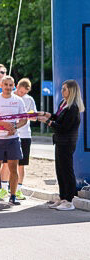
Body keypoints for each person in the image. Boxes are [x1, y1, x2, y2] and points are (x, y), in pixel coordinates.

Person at [37, 80, 83, 211]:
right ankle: (63, 197)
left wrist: (48, 122)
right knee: (60, 170)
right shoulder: (64, 103)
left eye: (64, 89)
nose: (62, 91)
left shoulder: (73, 107)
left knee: (67, 170)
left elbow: (63, 127)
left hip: (67, 142)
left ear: (71, 91)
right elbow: (58, 117)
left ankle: (69, 200)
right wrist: (47, 115)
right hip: (60, 142)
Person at [0, 75, 27, 206]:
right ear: (1, 85)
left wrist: (14, 127)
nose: (8, 87)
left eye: (10, 85)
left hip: (13, 139)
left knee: (13, 168)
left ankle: (13, 196)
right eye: (6, 85)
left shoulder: (19, 101)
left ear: (13, 86)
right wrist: (2, 123)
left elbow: (24, 119)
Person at [14, 78, 36, 200]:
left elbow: (34, 117)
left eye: (24, 93)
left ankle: (18, 189)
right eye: (20, 91)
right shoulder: (10, 96)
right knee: (6, 163)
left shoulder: (29, 99)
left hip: (25, 134)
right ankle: (5, 188)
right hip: (12, 134)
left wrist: (28, 114)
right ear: (17, 87)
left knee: (21, 164)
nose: (22, 94)